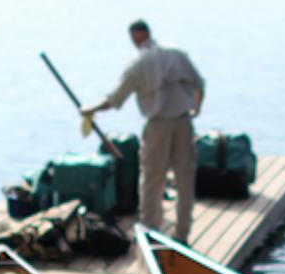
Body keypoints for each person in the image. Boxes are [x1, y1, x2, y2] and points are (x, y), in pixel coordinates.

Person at [80, 18, 204, 243]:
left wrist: (90, 109)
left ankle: (151, 231)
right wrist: (197, 108)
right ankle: (182, 235)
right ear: (149, 32)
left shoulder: (137, 64)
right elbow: (199, 84)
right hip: (183, 122)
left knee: (152, 179)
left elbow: (114, 100)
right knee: (185, 179)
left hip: (157, 125)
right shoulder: (177, 54)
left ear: (134, 37)